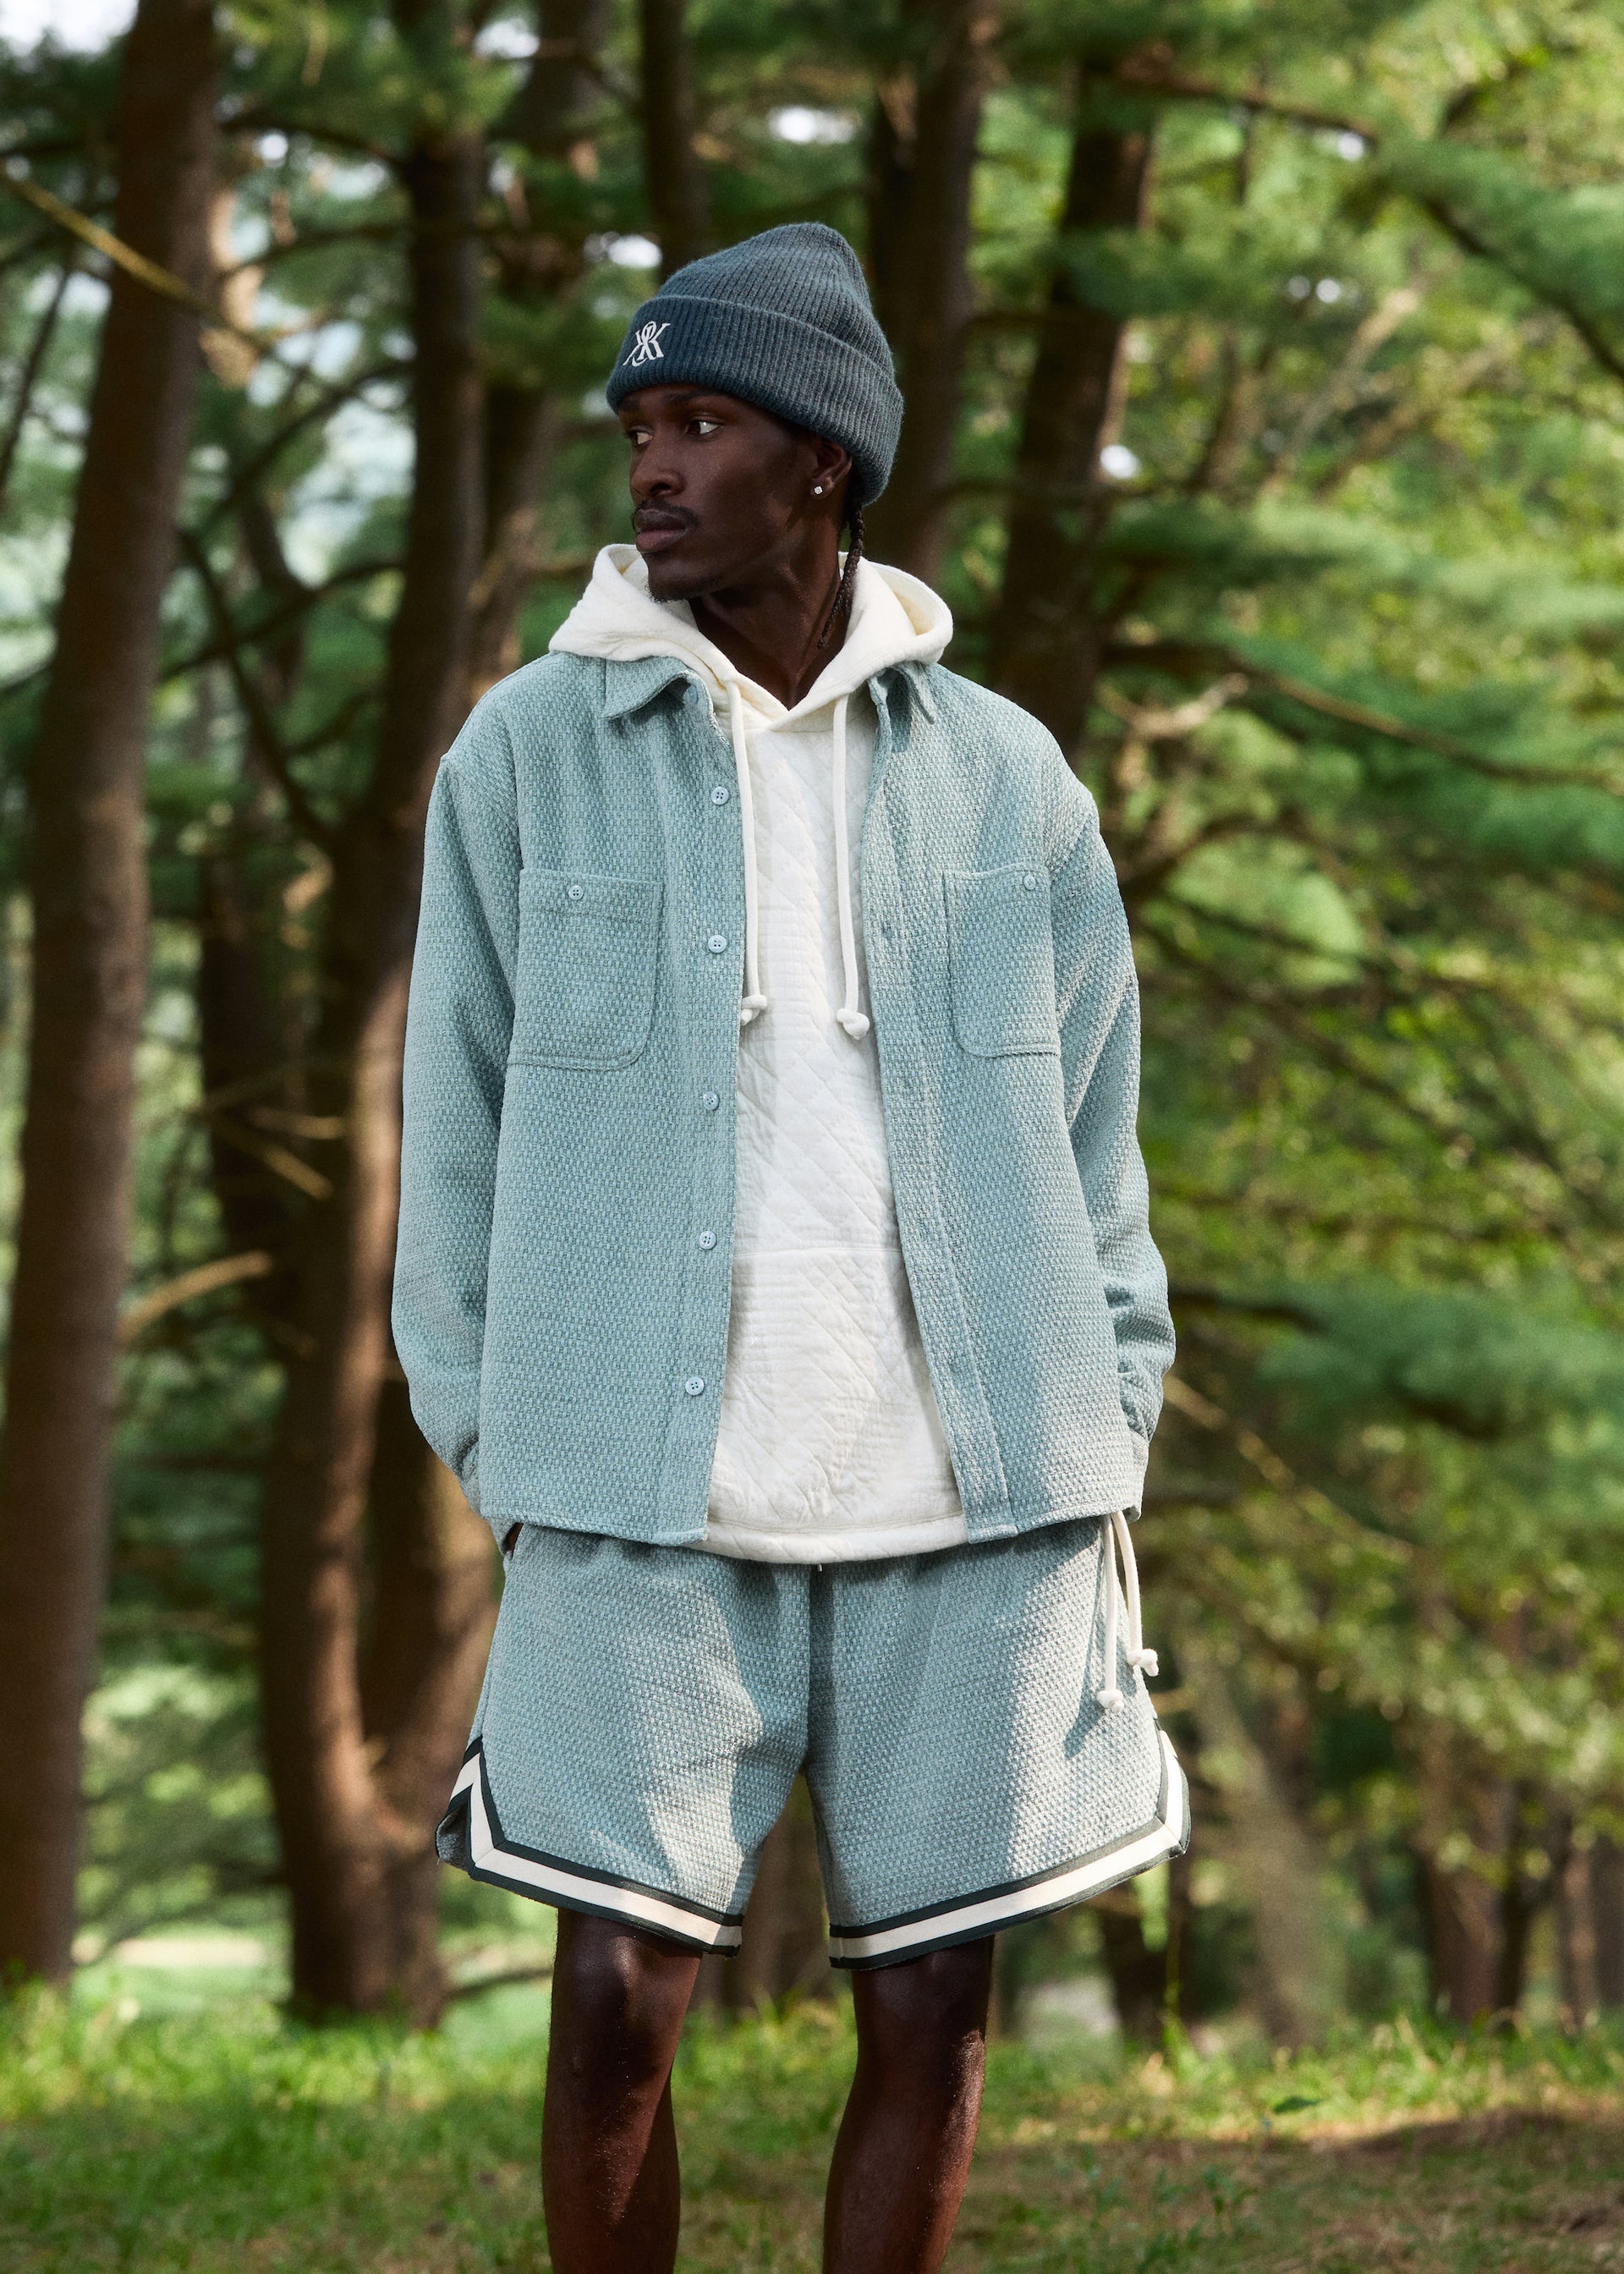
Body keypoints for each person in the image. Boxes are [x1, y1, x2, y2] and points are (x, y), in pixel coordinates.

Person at [394, 222, 1183, 2274]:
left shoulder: (1007, 779)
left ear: (822, 460)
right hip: (638, 1500)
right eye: (638, 428)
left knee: (935, 2003)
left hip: (974, 1500)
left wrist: (1108, 1410)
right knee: (610, 2000)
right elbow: (452, 1121)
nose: (653, 465)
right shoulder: (526, 755)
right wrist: (491, 1430)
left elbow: (1096, 1131)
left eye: (701, 422)